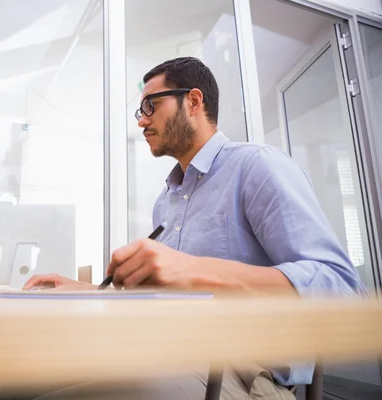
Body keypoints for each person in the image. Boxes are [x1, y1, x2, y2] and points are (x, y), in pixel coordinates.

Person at [19, 57, 367, 399]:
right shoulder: (166, 200)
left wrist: (195, 271)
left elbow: (344, 292)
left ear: (194, 101)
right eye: (140, 111)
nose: (141, 121)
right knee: (24, 377)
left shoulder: (256, 167)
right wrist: (89, 291)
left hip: (243, 377)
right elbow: (168, 299)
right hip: (171, 354)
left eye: (150, 106)